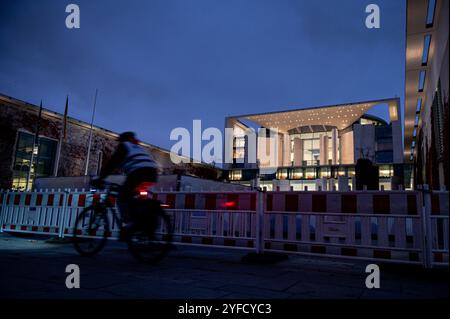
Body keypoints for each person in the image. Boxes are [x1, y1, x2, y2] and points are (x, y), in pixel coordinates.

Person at [93, 132, 159, 233]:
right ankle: (140, 221)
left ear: (123, 140)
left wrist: (101, 178)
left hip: (138, 173)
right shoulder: (139, 148)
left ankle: (130, 224)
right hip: (152, 173)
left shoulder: (124, 146)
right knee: (132, 197)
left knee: (121, 197)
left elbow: (112, 163)